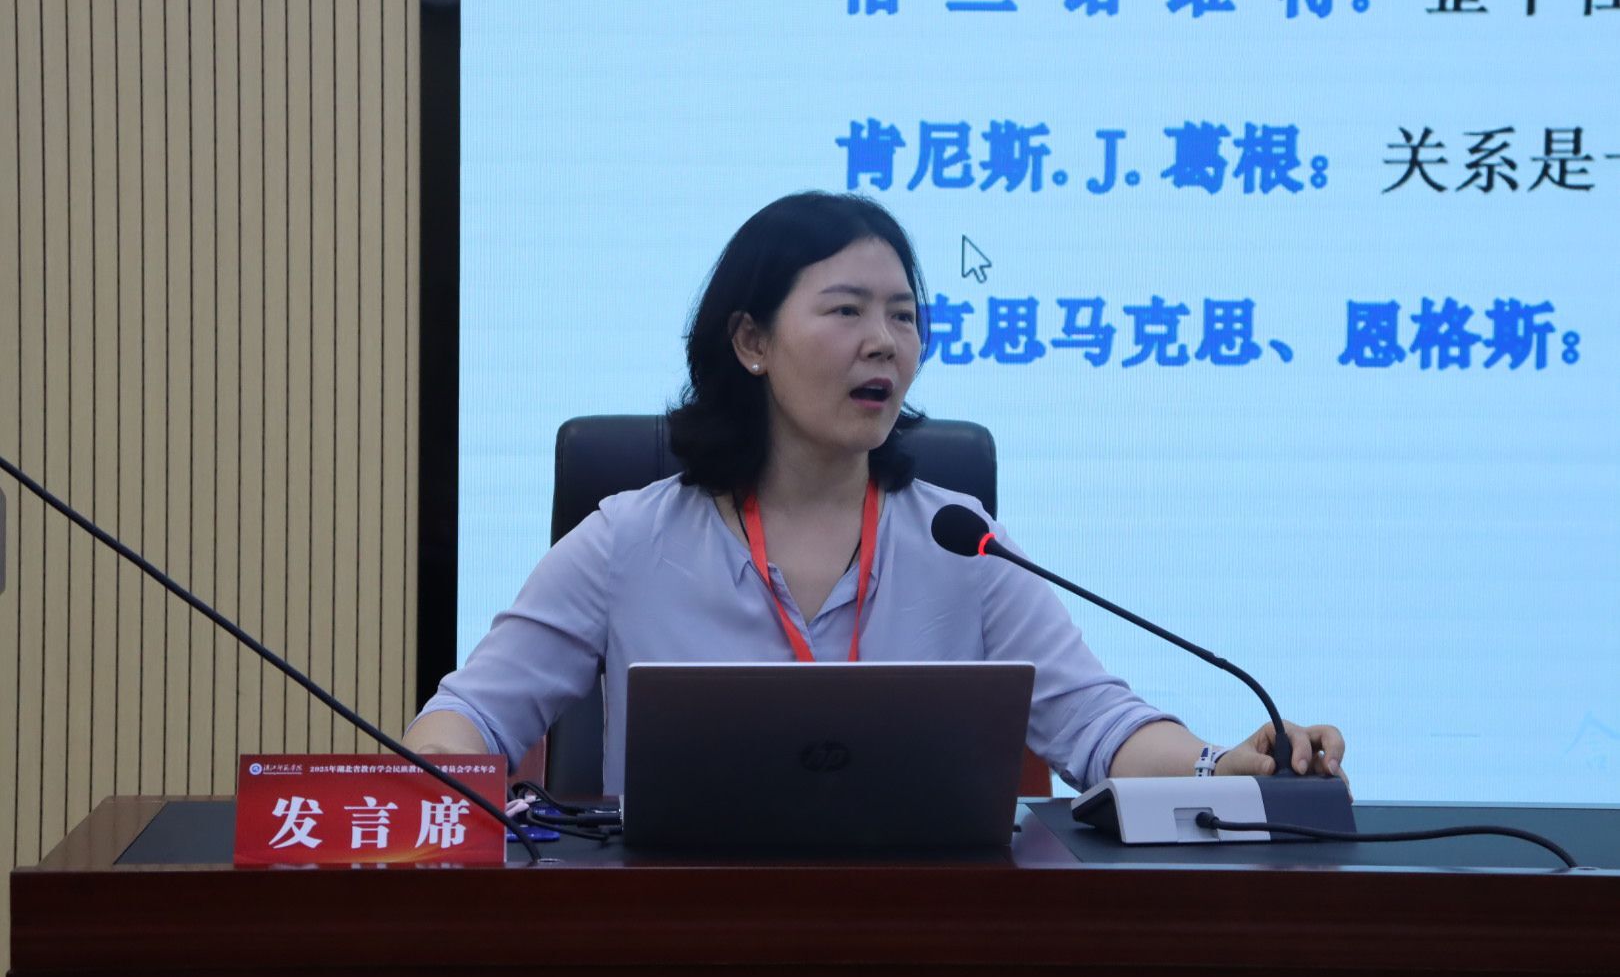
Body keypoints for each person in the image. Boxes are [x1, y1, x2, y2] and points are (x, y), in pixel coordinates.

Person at [404, 191, 1346, 794]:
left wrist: (1226, 764)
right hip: (680, 935)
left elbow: (1098, 726)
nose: (884, 342)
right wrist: (441, 766)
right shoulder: (630, 540)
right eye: (847, 310)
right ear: (751, 342)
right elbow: (471, 717)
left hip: (915, 937)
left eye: (903, 316)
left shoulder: (960, 540)